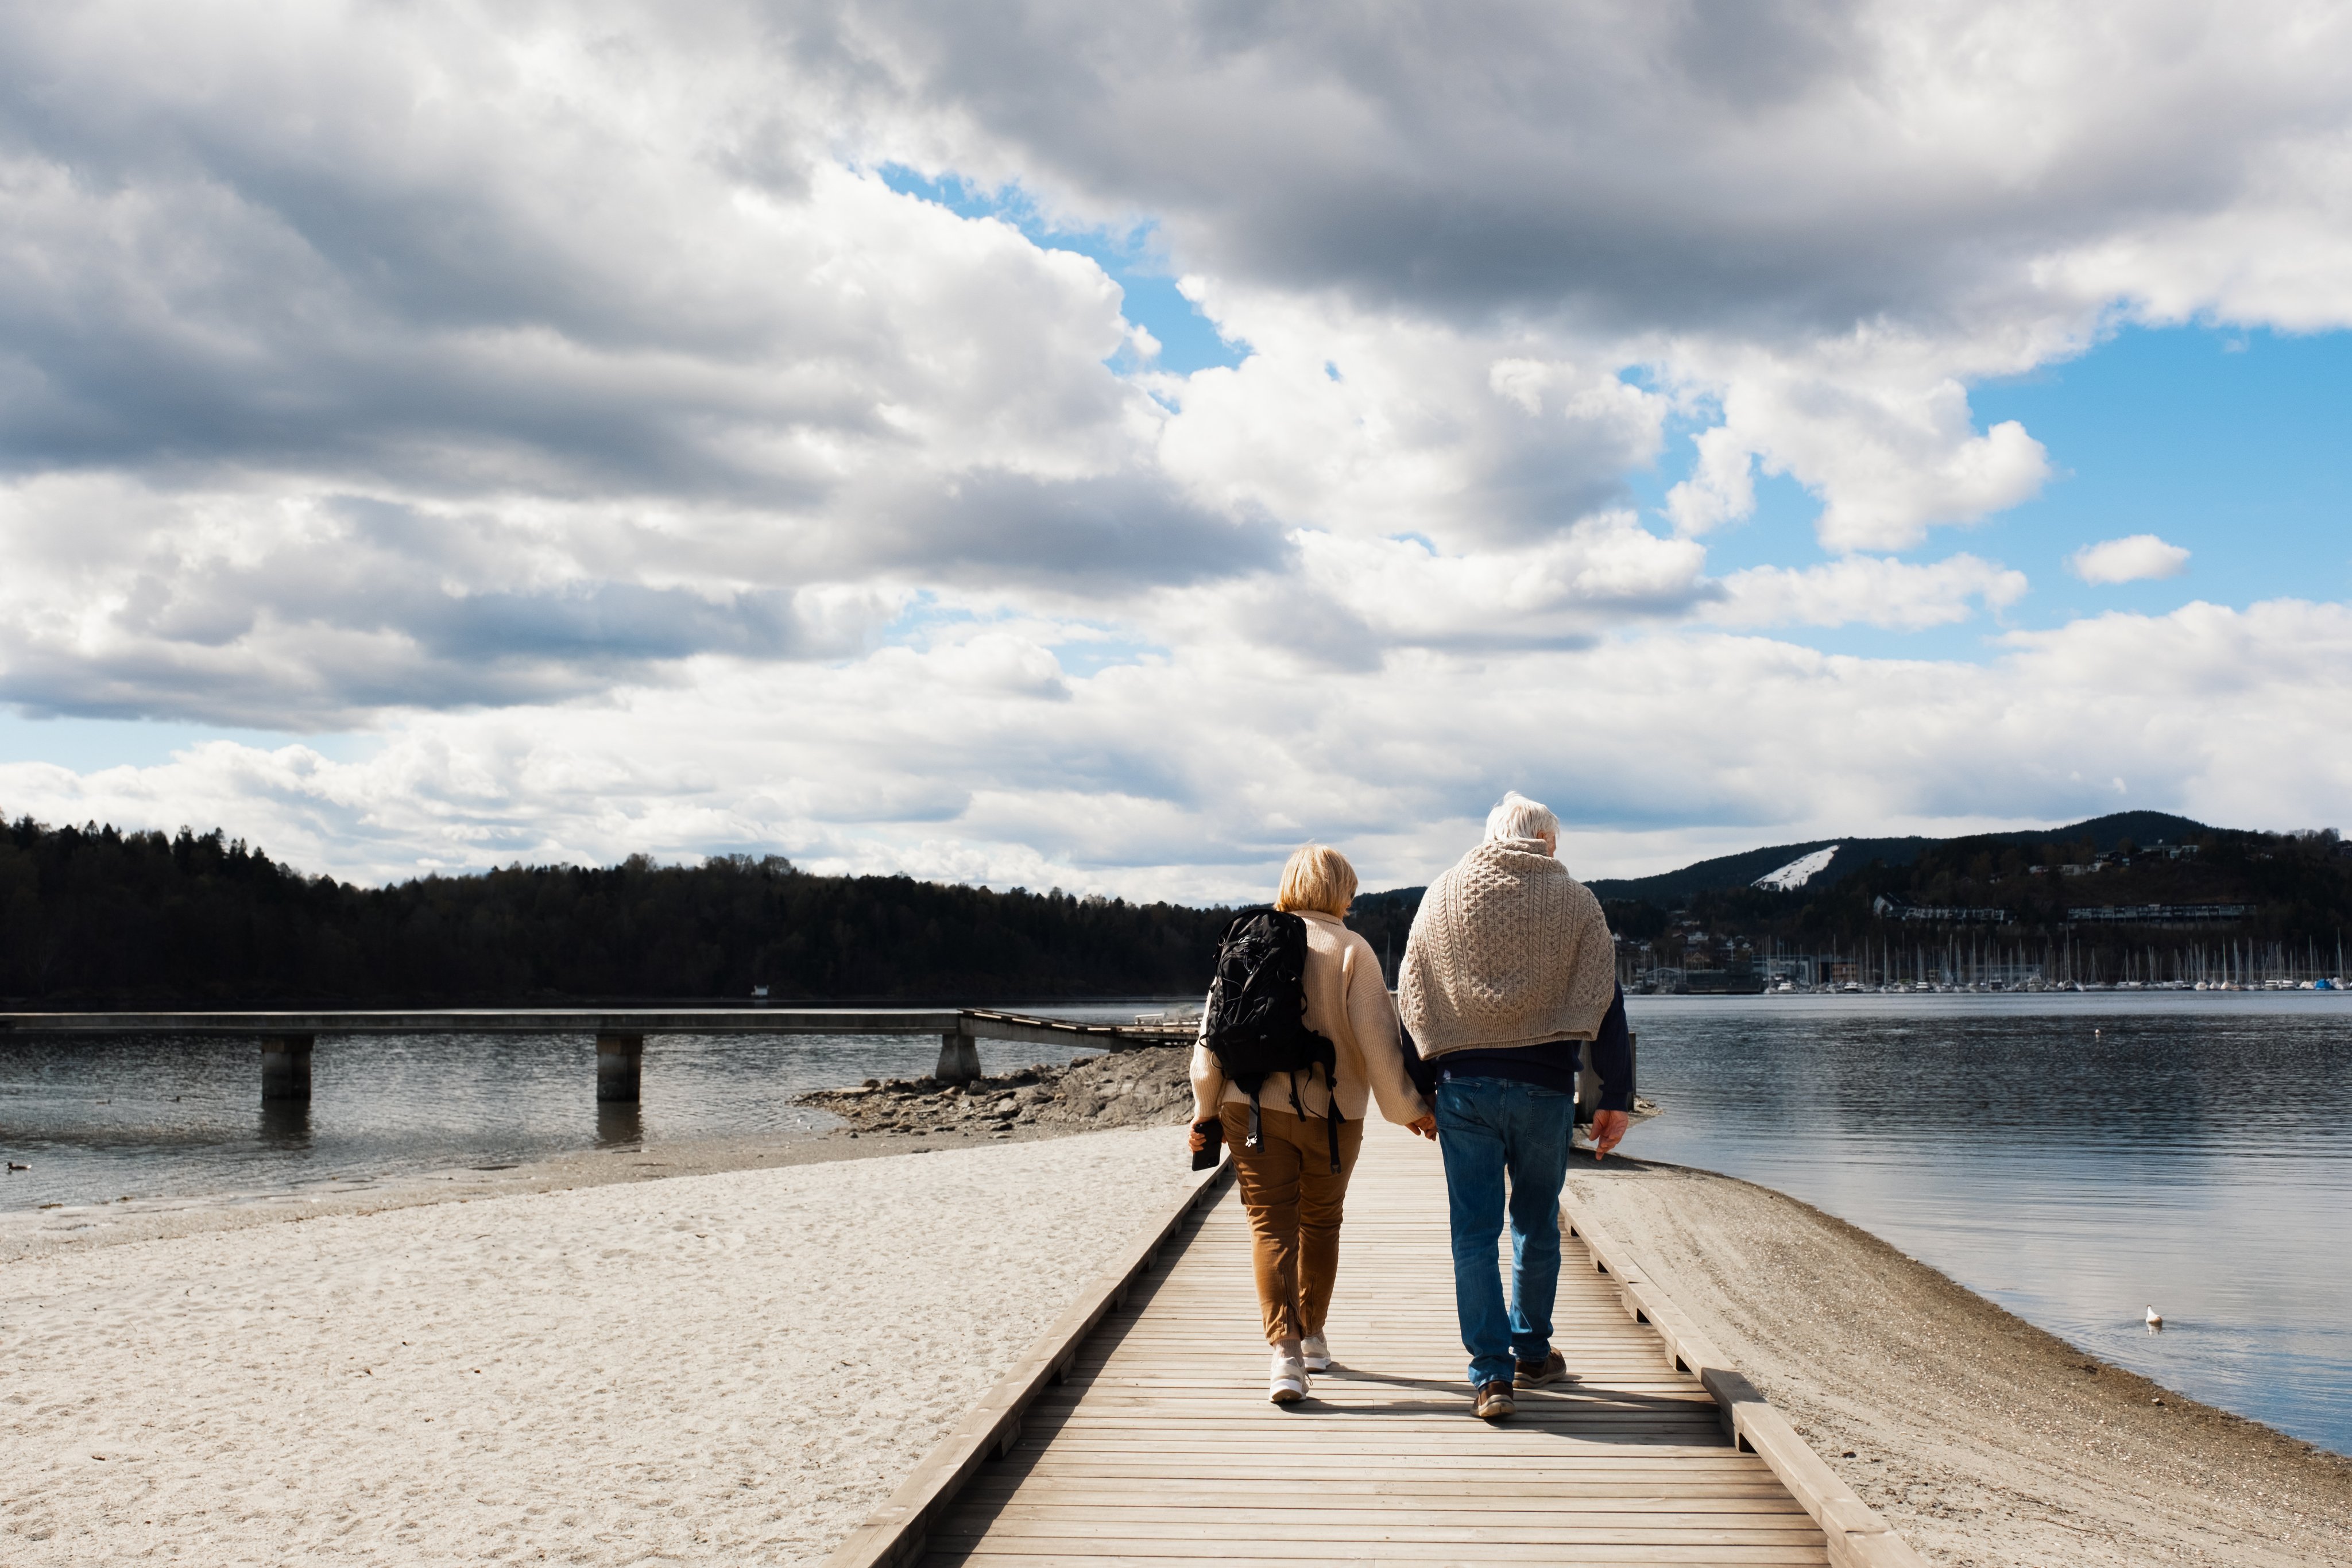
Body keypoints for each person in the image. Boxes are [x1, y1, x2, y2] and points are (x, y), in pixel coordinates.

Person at [1398, 792, 1632, 1421]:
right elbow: (1605, 1001)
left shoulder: (1442, 895)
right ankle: (1531, 1349)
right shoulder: (1577, 900)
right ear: (1545, 842)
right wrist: (1615, 1096)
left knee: (1473, 1233)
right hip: (1545, 1086)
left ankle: (1490, 1375)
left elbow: (1413, 990)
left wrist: (1417, 1088)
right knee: (1534, 1221)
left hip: (1464, 1087)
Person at [1187, 843, 1437, 1403]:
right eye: (1351, 886)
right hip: (1332, 1113)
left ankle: (1285, 1356)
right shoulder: (1353, 950)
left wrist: (1205, 1111)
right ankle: (1314, 1335)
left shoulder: (1247, 940)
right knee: (1321, 1222)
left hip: (1246, 1107)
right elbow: (1379, 1045)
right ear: (1341, 891)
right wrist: (1409, 1110)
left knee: (1270, 1226)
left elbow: (1209, 1041)